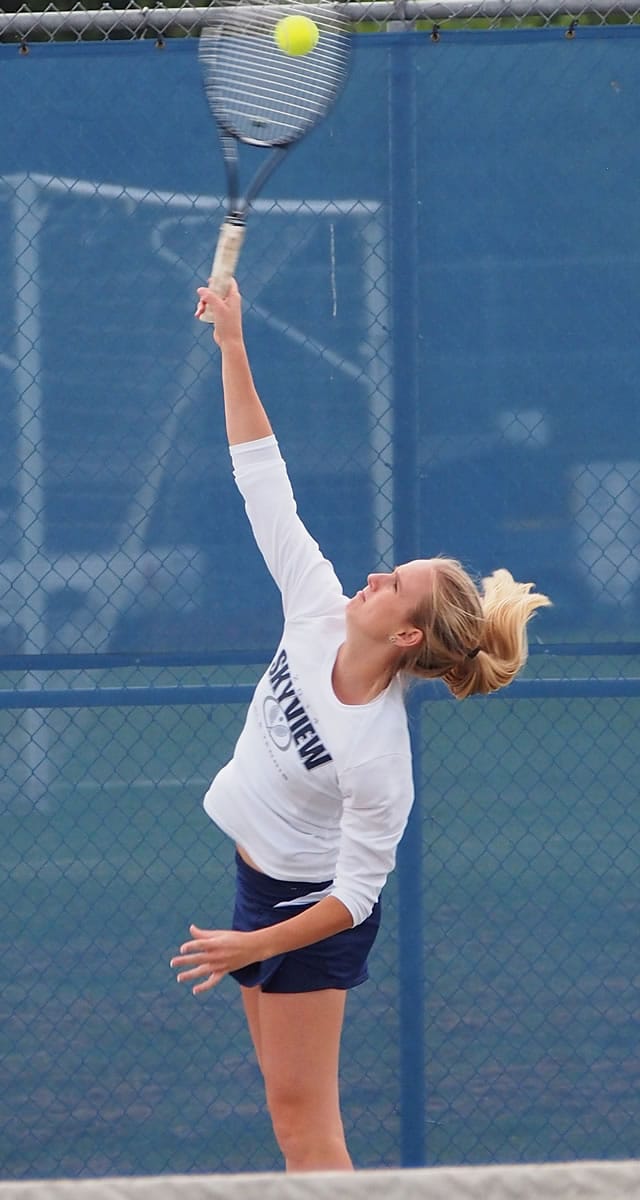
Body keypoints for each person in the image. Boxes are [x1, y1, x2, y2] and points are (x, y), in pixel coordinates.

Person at [170, 280, 551, 1173]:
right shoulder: (317, 606)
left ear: (408, 635)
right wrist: (232, 343)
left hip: (305, 915)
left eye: (396, 585)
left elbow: (355, 896)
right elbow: (261, 472)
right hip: (258, 888)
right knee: (287, 1119)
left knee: (310, 1132)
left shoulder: (379, 756)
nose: (376, 576)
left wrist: (256, 943)